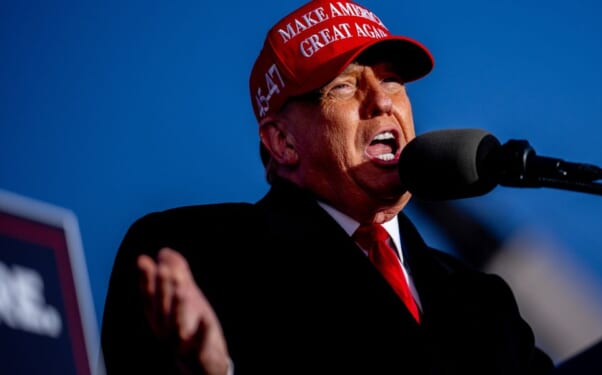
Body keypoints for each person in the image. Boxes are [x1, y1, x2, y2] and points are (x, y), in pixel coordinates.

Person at [100, 0, 554, 374]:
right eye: (343, 86)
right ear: (282, 142)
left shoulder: (482, 301)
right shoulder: (194, 252)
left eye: (392, 80)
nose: (381, 100)